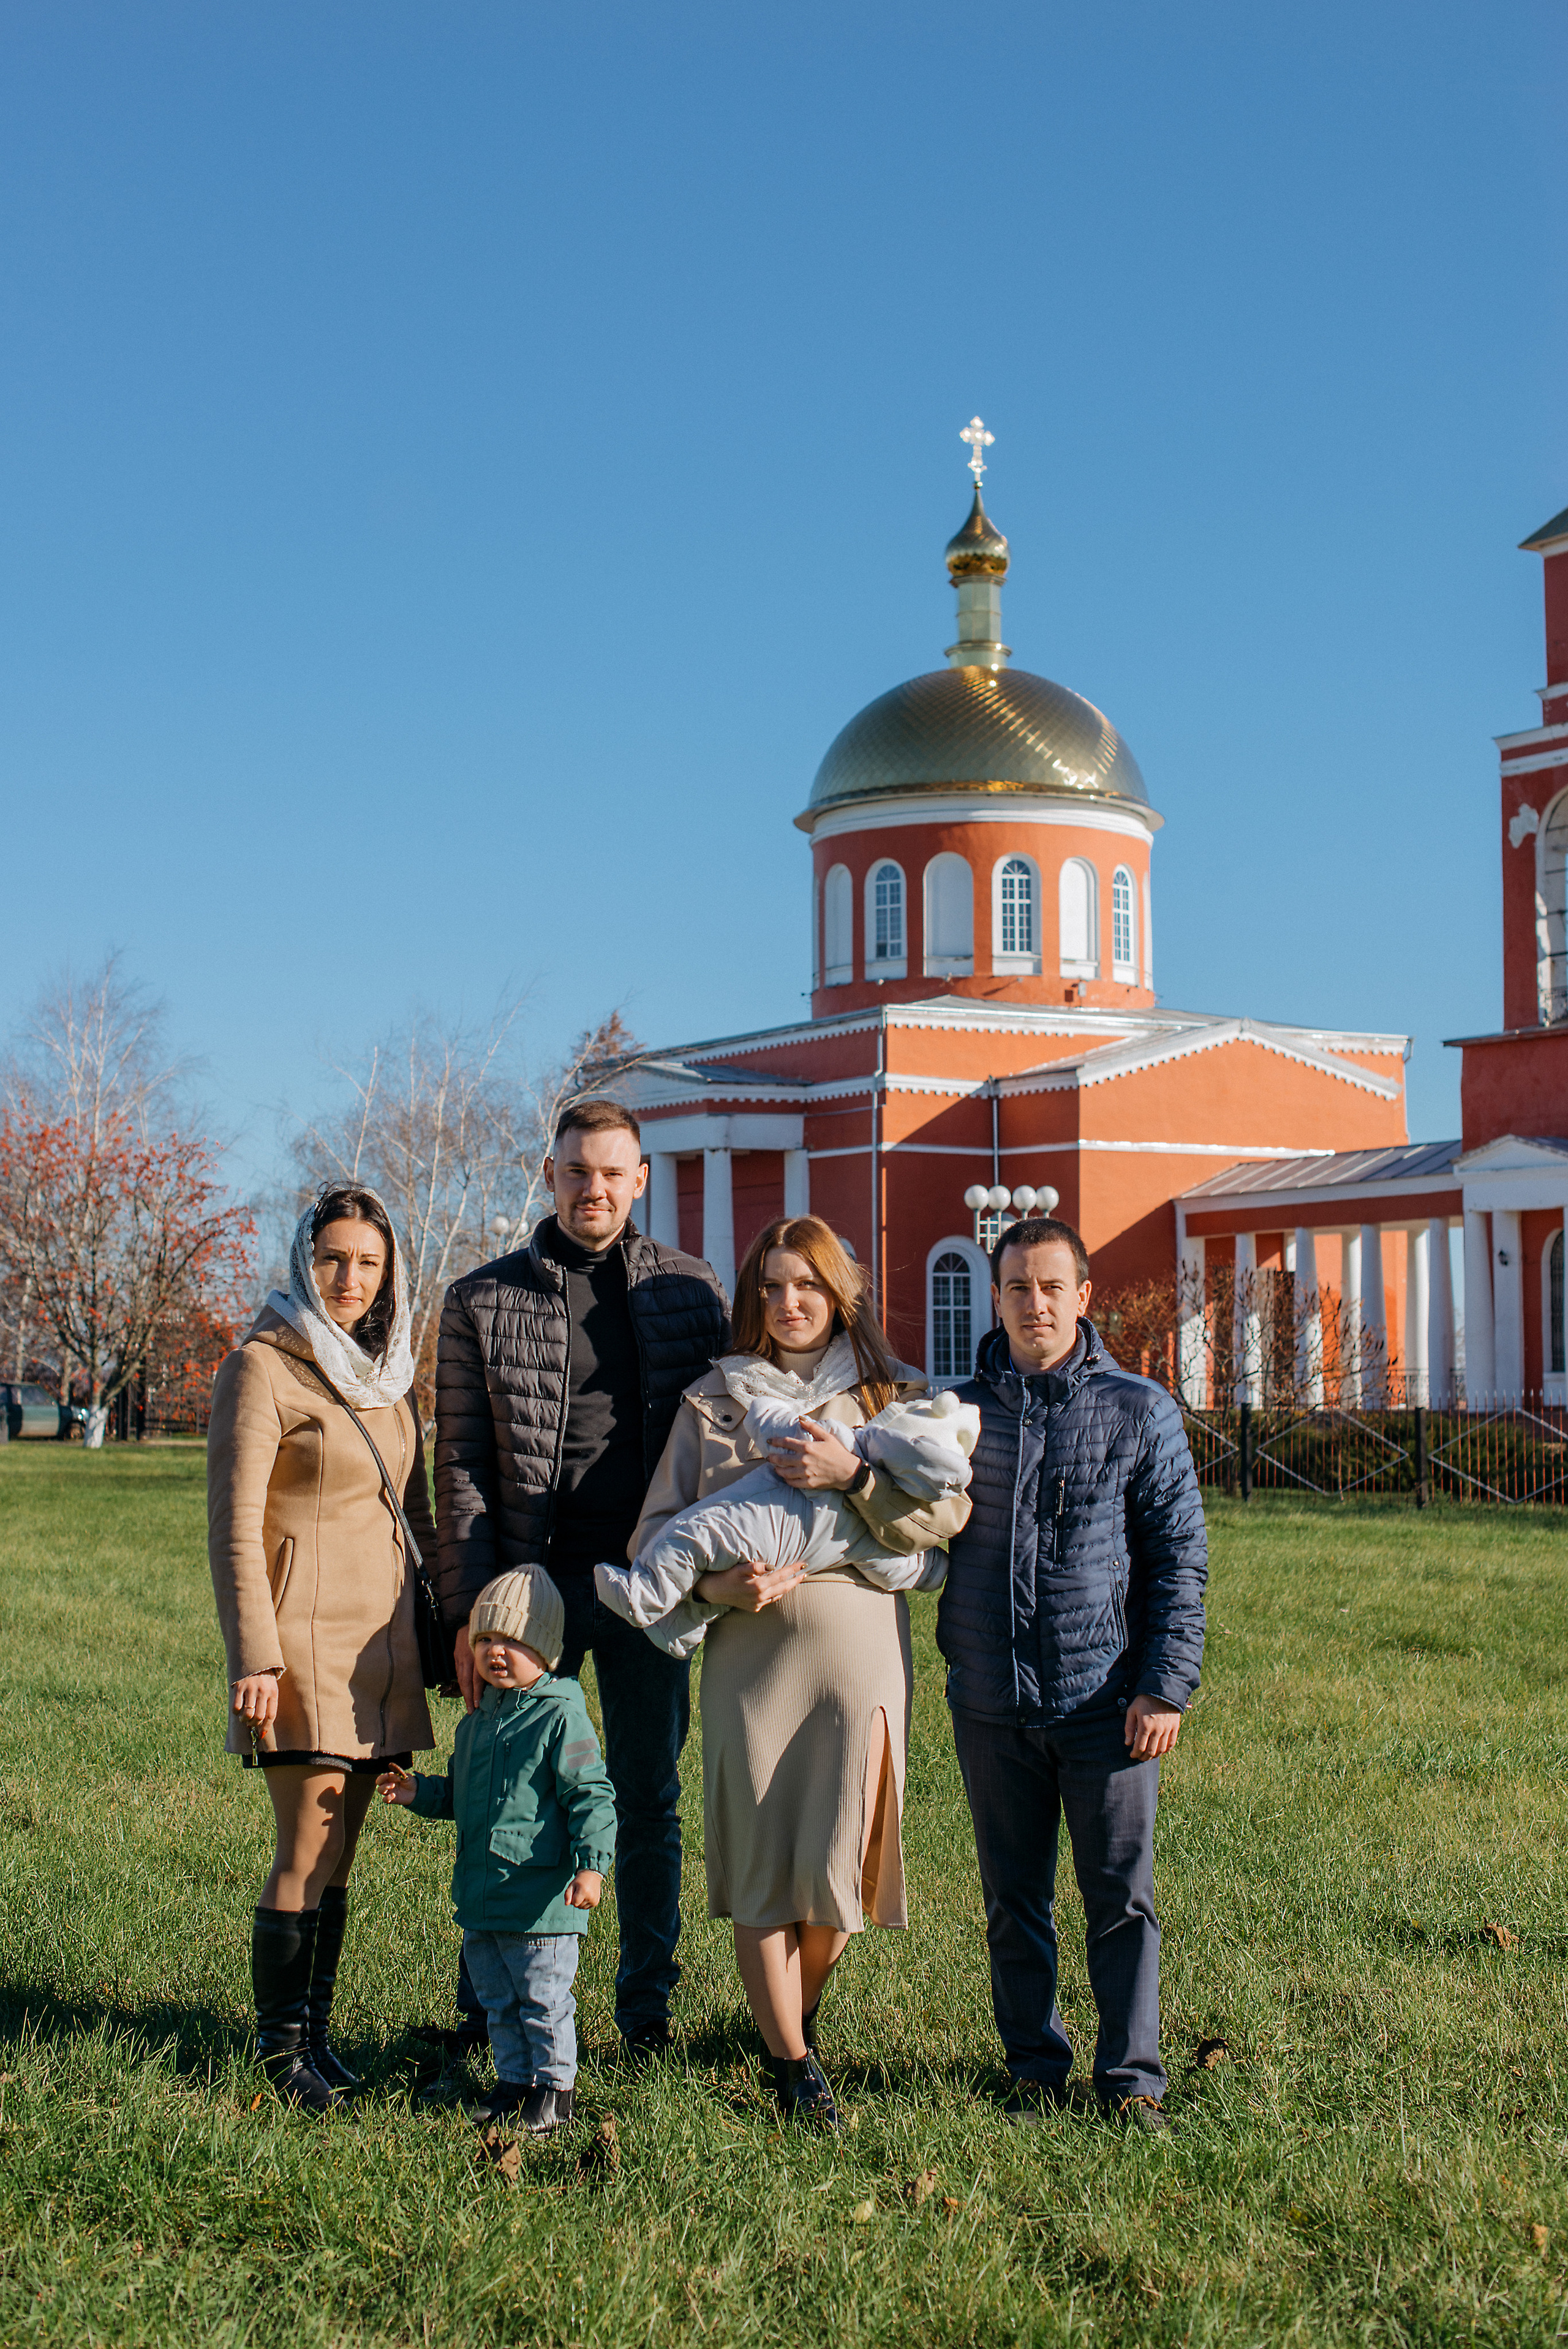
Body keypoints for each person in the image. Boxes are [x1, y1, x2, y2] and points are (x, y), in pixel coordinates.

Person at [630, 1214, 968, 2127]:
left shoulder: (890, 1397)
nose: (788, 1302)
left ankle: (793, 2015)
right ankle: (791, 2065)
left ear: (839, 1294)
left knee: (840, 1862)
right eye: (771, 1286)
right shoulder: (714, 1400)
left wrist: (853, 1474)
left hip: (860, 1661)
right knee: (763, 1858)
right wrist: (718, 1584)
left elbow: (945, 1523)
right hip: (753, 1660)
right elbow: (652, 1535)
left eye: (807, 1285)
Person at [432, 1098, 728, 2063]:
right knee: (509, 1797)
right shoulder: (483, 1298)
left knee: (647, 1795)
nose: (594, 1187)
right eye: (577, 1170)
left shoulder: (692, 1290)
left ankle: (645, 2010)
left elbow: (726, 1440)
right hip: (534, 1588)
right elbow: (463, 1464)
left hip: (649, 1584)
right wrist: (472, 1611)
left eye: (613, 1171)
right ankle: (493, 2007)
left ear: (641, 1178)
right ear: (548, 1173)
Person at [939, 1215, 1207, 2134]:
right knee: (1013, 1898)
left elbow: (1178, 1555)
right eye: (1018, 1286)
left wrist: (1164, 1684)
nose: (1036, 1303)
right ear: (998, 1296)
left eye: (1053, 1286)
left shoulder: (1139, 1408)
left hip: (1108, 1701)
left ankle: (1132, 2078)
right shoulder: (958, 1412)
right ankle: (1032, 2065)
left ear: (1085, 1296)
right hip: (990, 1698)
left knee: (1118, 1896)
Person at [208, 1183, 437, 2113]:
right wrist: (253, 1657)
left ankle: (319, 2039)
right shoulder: (261, 1366)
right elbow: (232, 1526)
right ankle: (278, 2051)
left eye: (368, 1262)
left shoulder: (388, 1372)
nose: (350, 1277)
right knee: (305, 1844)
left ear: (390, 1275)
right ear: (307, 1260)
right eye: (334, 1258)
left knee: (343, 1851)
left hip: (378, 1648)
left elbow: (409, 1511)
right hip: (300, 1642)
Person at [379, 1566, 617, 2138]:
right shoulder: (476, 1723)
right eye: (485, 1639)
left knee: (542, 1998)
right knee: (498, 2001)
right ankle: (514, 2082)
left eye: (513, 1640)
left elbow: (592, 1793)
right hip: (484, 1899)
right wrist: (420, 1792)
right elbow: (463, 1797)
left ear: (547, 1650)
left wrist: (591, 1865)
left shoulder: (561, 1714)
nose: (495, 1652)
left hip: (541, 1900)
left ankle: (556, 2090)